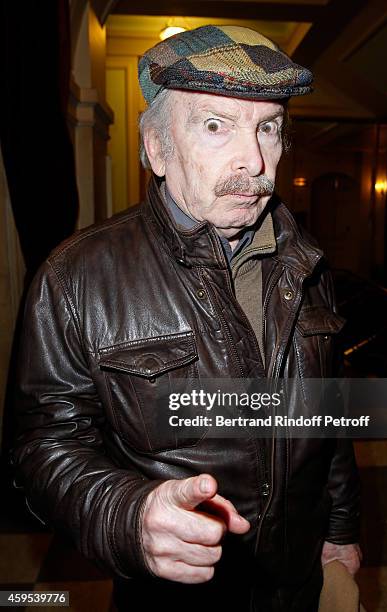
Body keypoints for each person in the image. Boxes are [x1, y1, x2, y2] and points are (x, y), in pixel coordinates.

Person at [12, 25, 361, 611]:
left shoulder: (310, 263)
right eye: (215, 125)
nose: (253, 160)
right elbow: (42, 445)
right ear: (157, 149)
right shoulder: (74, 278)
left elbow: (331, 412)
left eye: (268, 129)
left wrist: (341, 531)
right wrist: (129, 515)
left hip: (295, 585)